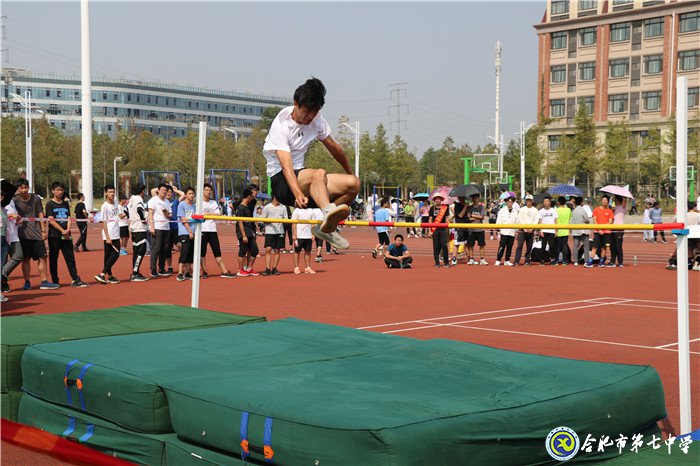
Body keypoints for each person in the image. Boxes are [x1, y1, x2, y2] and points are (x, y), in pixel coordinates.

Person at [263, 77, 360, 250]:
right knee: (319, 173)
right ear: (296, 104)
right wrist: (298, 193)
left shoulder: (317, 120)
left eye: (315, 112)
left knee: (353, 185)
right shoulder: (281, 124)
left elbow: (334, 148)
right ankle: (328, 213)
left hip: (305, 180)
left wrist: (350, 172)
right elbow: (286, 166)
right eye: (307, 111)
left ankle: (324, 227)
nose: (310, 116)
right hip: (282, 182)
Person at [13, 179, 58, 290]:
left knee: (42, 257)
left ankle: (44, 281)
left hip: (37, 234)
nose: (24, 190)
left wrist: (43, 230)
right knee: (26, 259)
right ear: (18, 189)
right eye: (21, 188)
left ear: (29, 187)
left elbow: (40, 213)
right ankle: (27, 282)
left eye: (26, 187)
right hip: (23, 234)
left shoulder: (36, 198)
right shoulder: (15, 200)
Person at [45, 182, 88, 287]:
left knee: (70, 257)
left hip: (66, 235)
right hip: (54, 235)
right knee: (53, 258)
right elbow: (51, 220)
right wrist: (61, 230)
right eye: (58, 190)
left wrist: (67, 229)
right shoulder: (49, 204)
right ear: (53, 191)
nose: (60, 192)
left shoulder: (65, 204)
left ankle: (75, 279)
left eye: (61, 190)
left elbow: (68, 218)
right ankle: (55, 281)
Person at [200, 183, 235, 279]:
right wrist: (210, 214)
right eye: (206, 190)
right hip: (202, 230)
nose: (208, 192)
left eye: (209, 190)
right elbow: (202, 215)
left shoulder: (213, 203)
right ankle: (204, 271)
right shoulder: (198, 203)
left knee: (217, 251)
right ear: (202, 191)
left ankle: (224, 271)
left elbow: (217, 215)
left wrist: (207, 214)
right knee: (202, 252)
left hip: (212, 230)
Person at [95, 185, 121, 284]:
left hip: (116, 232)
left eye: (113, 192)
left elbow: (115, 216)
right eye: (110, 192)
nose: (112, 194)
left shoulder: (115, 203)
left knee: (108, 256)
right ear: (106, 193)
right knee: (116, 253)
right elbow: (104, 222)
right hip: (109, 234)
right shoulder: (104, 206)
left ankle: (109, 276)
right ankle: (102, 274)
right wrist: (108, 237)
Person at [127, 184, 150, 282]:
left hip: (133, 228)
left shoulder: (131, 199)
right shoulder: (138, 199)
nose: (144, 193)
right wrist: (144, 219)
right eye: (144, 191)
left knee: (136, 251)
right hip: (140, 228)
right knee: (141, 251)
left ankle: (135, 271)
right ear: (141, 191)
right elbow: (140, 210)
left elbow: (125, 210)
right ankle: (135, 273)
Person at [235, 189, 260, 277]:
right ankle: (240, 270)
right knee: (243, 251)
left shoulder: (246, 206)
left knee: (255, 250)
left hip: (249, 231)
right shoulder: (241, 207)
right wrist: (244, 235)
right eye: (251, 197)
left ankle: (249, 268)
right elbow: (240, 222)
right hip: (243, 232)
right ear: (249, 196)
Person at [2, 194, 23, 292]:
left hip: (13, 235)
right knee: (3, 261)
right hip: (3, 235)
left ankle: (3, 276)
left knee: (18, 256)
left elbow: (13, 215)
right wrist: (10, 215)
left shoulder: (11, 201)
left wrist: (17, 220)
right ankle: (3, 284)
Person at [261, 195, 287, 276]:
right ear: (274, 196)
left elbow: (286, 219)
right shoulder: (267, 207)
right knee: (268, 249)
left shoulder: (283, 207)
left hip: (280, 231)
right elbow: (263, 219)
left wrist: (281, 221)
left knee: (277, 250)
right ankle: (267, 268)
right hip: (269, 231)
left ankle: (274, 268)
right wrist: (270, 221)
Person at [176, 187, 196, 281]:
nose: (191, 195)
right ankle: (180, 273)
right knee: (184, 251)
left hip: (193, 231)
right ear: (186, 195)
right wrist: (190, 232)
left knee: (190, 253)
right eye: (189, 193)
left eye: (193, 193)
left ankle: (187, 272)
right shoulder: (181, 205)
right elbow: (183, 220)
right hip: (185, 232)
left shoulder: (195, 206)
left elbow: (197, 219)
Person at [587, 195, 614, 267]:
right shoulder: (596, 209)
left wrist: (603, 229)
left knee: (604, 248)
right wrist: (599, 229)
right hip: (597, 232)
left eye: (606, 200)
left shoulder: (610, 211)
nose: (604, 201)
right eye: (603, 200)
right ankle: (590, 262)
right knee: (594, 247)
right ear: (601, 201)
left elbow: (610, 222)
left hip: (606, 232)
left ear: (608, 202)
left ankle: (601, 262)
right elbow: (594, 220)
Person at [514, 194, 538, 266]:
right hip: (522, 230)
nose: (528, 202)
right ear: (525, 201)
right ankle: (516, 261)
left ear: (532, 201)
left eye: (530, 200)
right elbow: (519, 218)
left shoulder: (535, 210)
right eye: (527, 200)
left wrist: (532, 228)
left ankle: (527, 261)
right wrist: (523, 227)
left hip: (531, 230)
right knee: (519, 246)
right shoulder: (522, 209)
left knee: (529, 246)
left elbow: (536, 220)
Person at [291, 207, 316, 274]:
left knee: (308, 251)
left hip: (308, 235)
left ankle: (308, 268)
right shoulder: (296, 210)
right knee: (297, 251)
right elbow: (293, 223)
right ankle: (296, 267)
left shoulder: (311, 210)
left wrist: (313, 234)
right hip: (299, 236)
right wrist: (294, 234)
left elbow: (313, 223)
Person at [466, 194, 488, 265]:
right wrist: (477, 217)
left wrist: (473, 216)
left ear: (478, 199)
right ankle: (471, 259)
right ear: (472, 199)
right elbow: (469, 218)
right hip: (471, 229)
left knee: (481, 245)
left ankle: (482, 259)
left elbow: (482, 217)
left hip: (480, 229)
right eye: (474, 198)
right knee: (470, 245)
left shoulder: (482, 207)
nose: (475, 200)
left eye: (476, 198)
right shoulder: (469, 208)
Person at [429, 194, 451, 267]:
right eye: (436, 199)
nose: (437, 200)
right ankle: (437, 263)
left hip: (443, 229)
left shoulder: (445, 208)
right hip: (434, 229)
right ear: (434, 200)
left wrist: (448, 226)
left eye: (439, 199)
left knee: (444, 246)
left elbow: (447, 218)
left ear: (441, 200)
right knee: (436, 246)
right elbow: (430, 219)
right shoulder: (432, 208)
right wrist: (430, 230)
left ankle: (446, 262)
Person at [495, 197, 517, 266]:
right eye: (508, 202)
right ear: (506, 202)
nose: (510, 203)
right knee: (502, 246)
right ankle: (498, 259)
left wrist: (516, 230)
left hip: (512, 232)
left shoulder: (515, 211)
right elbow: (499, 220)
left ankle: (507, 260)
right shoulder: (502, 210)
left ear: (513, 203)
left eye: (511, 202)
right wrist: (498, 229)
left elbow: (517, 221)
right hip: (504, 231)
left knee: (510, 246)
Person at [607, 194, 628, 267]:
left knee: (618, 246)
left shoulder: (623, 207)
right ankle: (612, 261)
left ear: (617, 200)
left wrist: (624, 197)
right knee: (612, 246)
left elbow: (625, 202)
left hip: (619, 229)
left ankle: (620, 262)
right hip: (612, 228)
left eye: (615, 199)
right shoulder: (613, 208)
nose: (614, 201)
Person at [538, 196, 558, 266]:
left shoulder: (553, 210)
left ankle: (552, 259)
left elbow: (555, 221)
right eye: (544, 201)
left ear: (550, 202)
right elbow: (540, 221)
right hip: (544, 230)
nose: (546, 202)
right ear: (543, 203)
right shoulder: (540, 211)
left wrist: (556, 231)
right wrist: (541, 231)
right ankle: (542, 260)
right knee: (543, 246)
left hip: (552, 231)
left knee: (552, 245)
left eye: (547, 201)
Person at [571, 196, 591, 266]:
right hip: (583, 231)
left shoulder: (573, 211)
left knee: (575, 246)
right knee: (586, 246)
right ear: (581, 202)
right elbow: (587, 220)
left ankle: (575, 261)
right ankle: (586, 261)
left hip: (575, 231)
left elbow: (571, 221)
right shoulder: (583, 210)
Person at [554, 196, 572, 266]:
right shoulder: (568, 210)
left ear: (558, 202)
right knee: (564, 246)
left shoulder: (556, 210)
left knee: (557, 246)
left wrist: (555, 231)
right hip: (566, 230)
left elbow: (555, 221)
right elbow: (570, 220)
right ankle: (565, 261)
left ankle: (556, 261)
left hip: (558, 230)